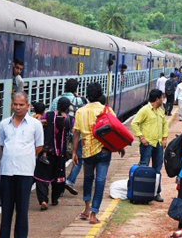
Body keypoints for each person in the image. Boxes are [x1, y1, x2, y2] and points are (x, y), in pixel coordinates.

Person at [0, 91, 44, 238]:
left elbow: (39, 147)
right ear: (11, 105)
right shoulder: (4, 124)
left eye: (22, 105)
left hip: (25, 171)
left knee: (22, 208)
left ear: (27, 106)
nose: (18, 107)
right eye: (15, 104)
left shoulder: (35, 124)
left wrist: (24, 157)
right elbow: (2, 146)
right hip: (7, 171)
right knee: (6, 208)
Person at [72, 82, 125, 225]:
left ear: (87, 95)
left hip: (87, 151)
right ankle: (94, 214)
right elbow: (116, 129)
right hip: (104, 150)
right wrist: (120, 146)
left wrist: (73, 153)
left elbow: (76, 133)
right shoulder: (107, 110)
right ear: (100, 93)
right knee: (100, 181)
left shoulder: (80, 111)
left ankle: (86, 209)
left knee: (88, 179)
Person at [34, 97, 74, 210]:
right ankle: (55, 199)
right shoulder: (69, 119)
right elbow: (74, 131)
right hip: (60, 154)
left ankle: (43, 200)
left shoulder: (49, 115)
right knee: (58, 178)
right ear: (67, 107)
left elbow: (38, 123)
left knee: (42, 178)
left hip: (46, 152)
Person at [131, 89, 168, 202]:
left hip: (158, 144)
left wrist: (164, 137)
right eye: (161, 98)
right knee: (144, 167)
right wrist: (141, 137)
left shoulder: (161, 111)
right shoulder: (145, 110)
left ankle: (157, 192)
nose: (162, 100)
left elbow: (164, 124)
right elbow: (134, 123)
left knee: (157, 169)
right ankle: (143, 192)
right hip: (147, 144)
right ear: (157, 99)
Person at [52, 78, 87, 196]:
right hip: (76, 135)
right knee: (78, 159)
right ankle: (69, 180)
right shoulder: (80, 100)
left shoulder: (56, 100)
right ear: (76, 88)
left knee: (59, 161)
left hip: (58, 136)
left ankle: (57, 186)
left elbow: (52, 115)